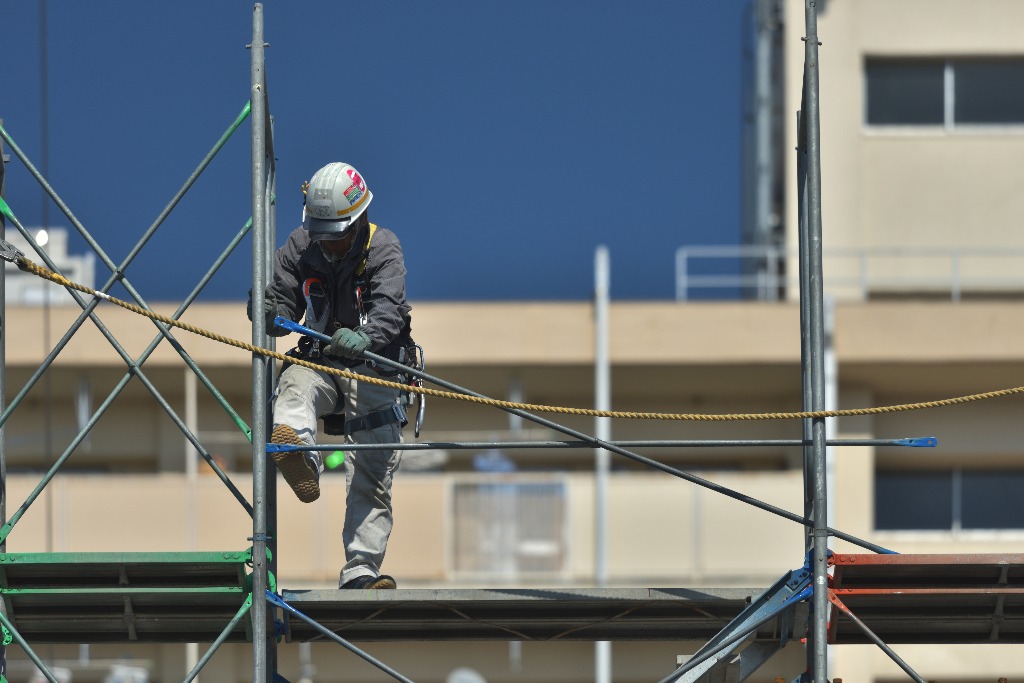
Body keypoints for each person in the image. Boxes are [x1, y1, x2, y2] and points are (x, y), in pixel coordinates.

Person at [248, 161, 414, 590]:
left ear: (357, 221)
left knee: (372, 473)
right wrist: (270, 313)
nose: (326, 242)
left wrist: (365, 337)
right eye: (320, 232)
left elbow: (390, 308)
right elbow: (283, 299)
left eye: (334, 234)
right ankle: (300, 453)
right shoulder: (301, 245)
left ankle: (360, 570)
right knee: (293, 385)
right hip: (323, 362)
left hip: (374, 368)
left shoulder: (383, 247)